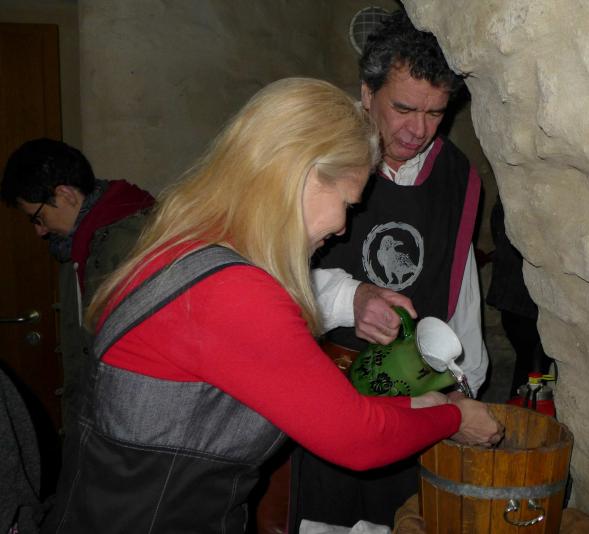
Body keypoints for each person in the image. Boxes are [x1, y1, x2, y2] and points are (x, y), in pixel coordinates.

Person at [39, 78, 503, 534]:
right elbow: (356, 439)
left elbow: (309, 400)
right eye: (346, 203)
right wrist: (454, 417)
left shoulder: (187, 248)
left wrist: (415, 405)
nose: (343, 227)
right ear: (303, 175)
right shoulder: (235, 290)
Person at [294, 10, 488, 529]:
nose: (417, 130)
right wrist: (351, 297)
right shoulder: (318, 159)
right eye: (403, 108)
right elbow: (271, 274)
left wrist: (464, 383)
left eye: (435, 113)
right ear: (367, 93)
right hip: (323, 391)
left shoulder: (457, 176)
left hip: (413, 398)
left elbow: (459, 280)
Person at [1, 139, 155, 438]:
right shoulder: (78, 243)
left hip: (128, 429)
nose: (39, 231)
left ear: (65, 195)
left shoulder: (131, 243)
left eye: (38, 217)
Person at [486, 197, 554, 398]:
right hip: (526, 302)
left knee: (529, 367)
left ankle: (521, 407)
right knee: (534, 368)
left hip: (514, 300)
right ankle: (526, 410)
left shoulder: (508, 200)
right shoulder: (530, 203)